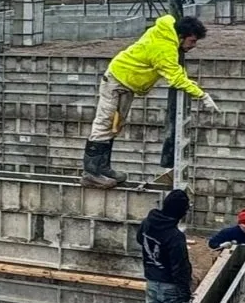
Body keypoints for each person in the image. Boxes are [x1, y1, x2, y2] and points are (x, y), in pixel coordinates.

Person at [84, 14, 218, 188]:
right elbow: (175, 78)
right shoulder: (165, 48)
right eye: (192, 41)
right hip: (117, 81)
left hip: (124, 81)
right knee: (103, 124)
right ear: (181, 36)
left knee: (113, 126)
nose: (193, 46)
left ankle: (102, 168)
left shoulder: (165, 32)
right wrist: (202, 95)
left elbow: (175, 70)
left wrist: (189, 85)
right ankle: (91, 173)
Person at [137, 188, 194, 303]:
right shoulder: (175, 237)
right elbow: (181, 269)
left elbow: (140, 239)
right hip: (171, 288)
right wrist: (185, 297)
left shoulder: (147, 224)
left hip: (152, 282)